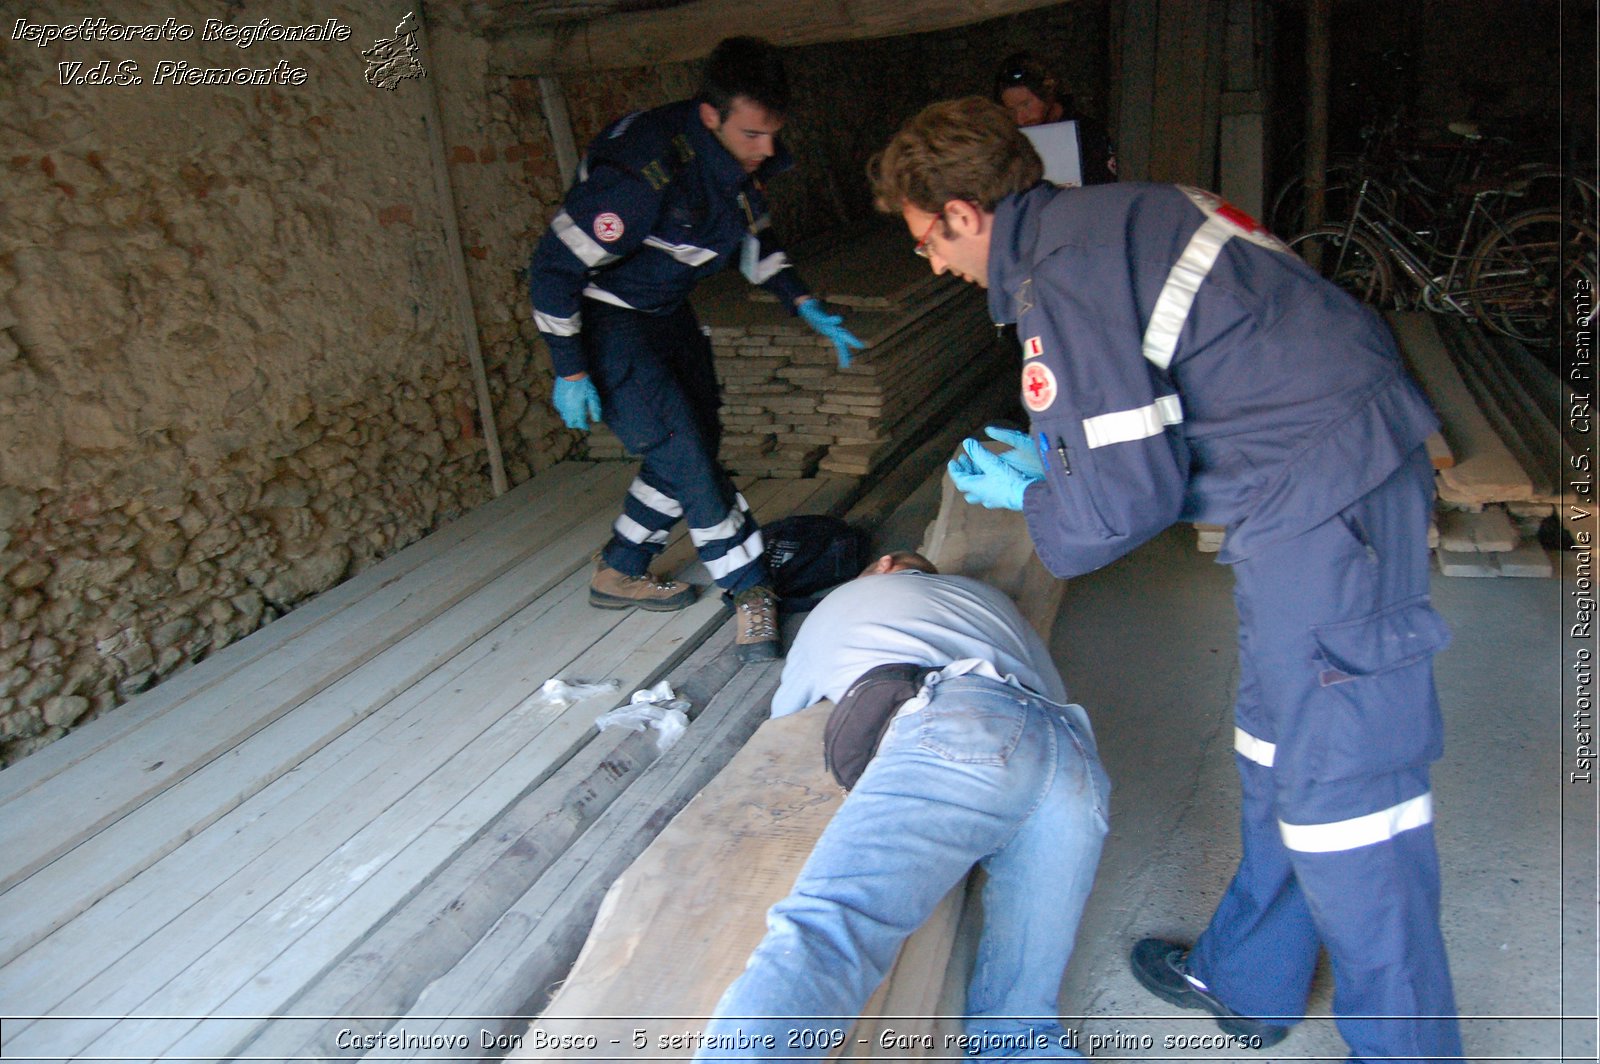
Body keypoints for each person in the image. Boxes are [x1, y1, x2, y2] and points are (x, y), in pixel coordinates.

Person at [869, 97, 1462, 1062]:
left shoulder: (1057, 277)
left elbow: (1117, 508)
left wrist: (1042, 495)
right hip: (1303, 479)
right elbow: (1183, 395)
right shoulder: (1116, 216)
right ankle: (1251, 978)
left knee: (1349, 796)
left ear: (966, 213)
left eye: (928, 240)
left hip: (1328, 492)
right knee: (1275, 745)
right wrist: (1060, 459)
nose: (932, 264)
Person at [696, 551, 1110, 1061]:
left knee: (832, 928)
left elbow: (788, 713)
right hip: (1070, 753)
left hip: (962, 725)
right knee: (1021, 1024)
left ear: (885, 564)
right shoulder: (989, 600)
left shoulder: (843, 600)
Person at [527, 37, 864, 662]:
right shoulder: (639, 176)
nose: (768, 149)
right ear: (711, 116)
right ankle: (750, 588)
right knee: (685, 454)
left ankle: (620, 565)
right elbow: (551, 270)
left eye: (773, 134)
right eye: (754, 134)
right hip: (606, 318)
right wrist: (569, 367)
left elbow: (751, 235)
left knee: (693, 440)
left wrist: (801, 300)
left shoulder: (737, 161)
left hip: (666, 309)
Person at [992, 52, 1116, 185]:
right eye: (1011, 110)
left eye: (1026, 104)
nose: (1020, 118)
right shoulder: (1009, 138)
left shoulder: (1088, 133)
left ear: (1047, 92)